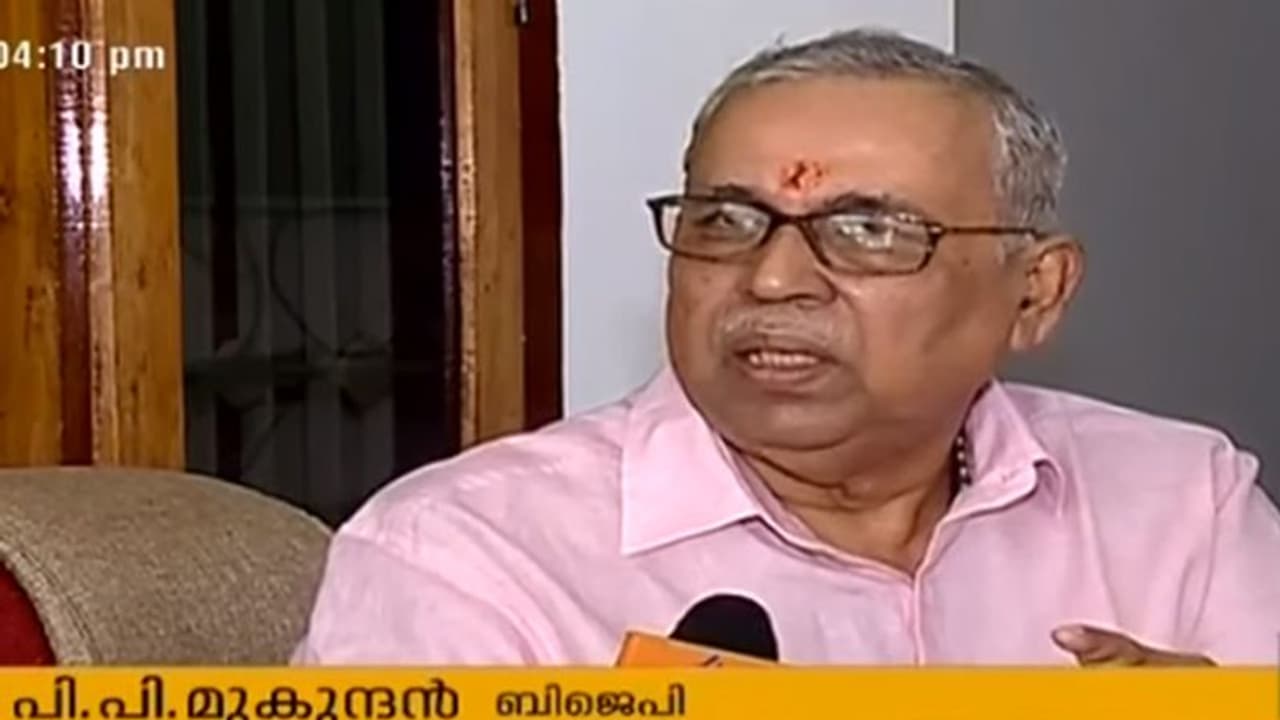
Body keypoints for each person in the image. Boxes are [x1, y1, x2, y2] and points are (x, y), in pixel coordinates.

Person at [293, 29, 1280, 665]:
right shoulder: (469, 557)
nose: (771, 280)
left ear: (1034, 293)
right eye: (725, 221)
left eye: (867, 230)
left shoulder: (1179, 506)